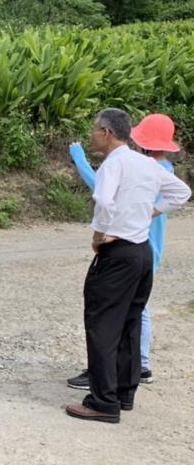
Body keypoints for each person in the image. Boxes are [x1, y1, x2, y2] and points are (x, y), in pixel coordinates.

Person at [65, 108, 190, 424]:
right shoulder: (145, 163)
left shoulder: (114, 163)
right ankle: (124, 393)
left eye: (94, 129)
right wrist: (151, 211)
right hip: (141, 254)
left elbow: (105, 202)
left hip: (118, 253)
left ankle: (102, 402)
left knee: (103, 323)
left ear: (106, 132)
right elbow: (182, 192)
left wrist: (98, 235)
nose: (92, 135)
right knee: (129, 323)